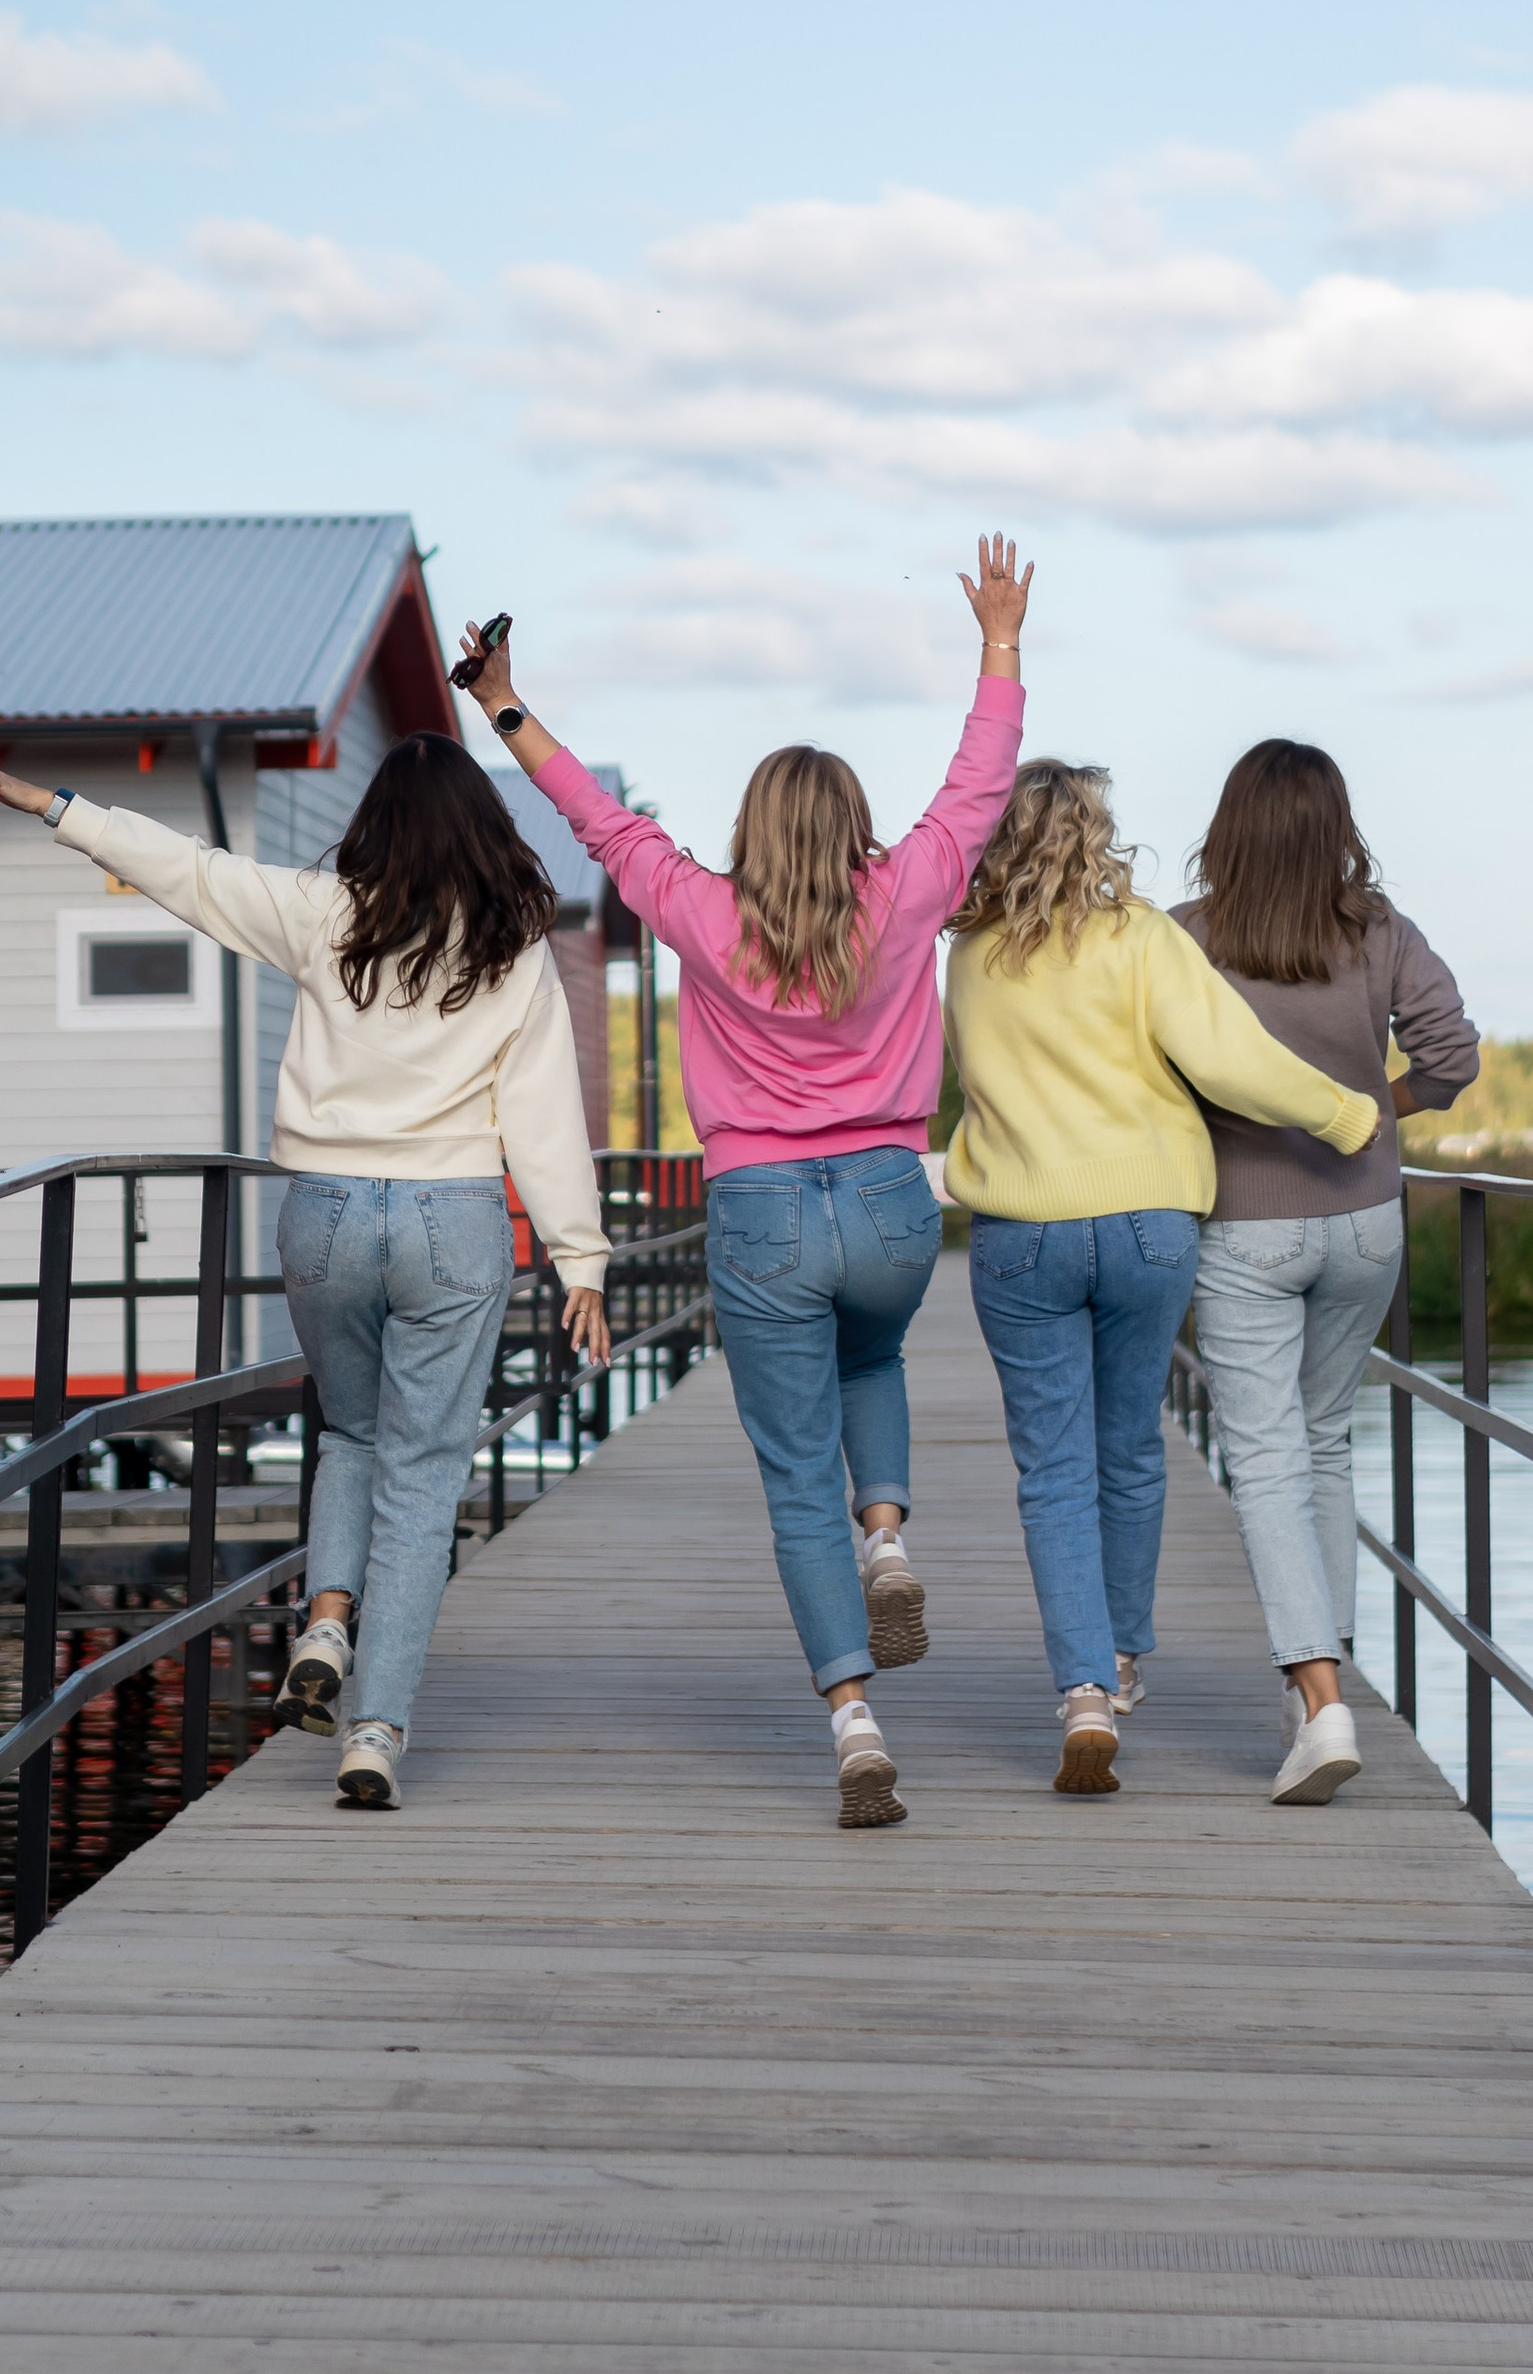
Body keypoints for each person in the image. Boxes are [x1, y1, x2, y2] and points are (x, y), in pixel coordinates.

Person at [459, 535, 1032, 1831]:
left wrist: (504, 703)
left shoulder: (699, 911)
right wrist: (999, 641)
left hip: (763, 1209)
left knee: (791, 1473)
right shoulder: (909, 891)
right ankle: (888, 1533)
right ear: (854, 825)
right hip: (888, 1198)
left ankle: (853, 1722)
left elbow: (599, 820)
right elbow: (977, 784)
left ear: (752, 829)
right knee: (873, 1357)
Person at [0, 724, 610, 1813]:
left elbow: (190, 873)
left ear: (377, 824)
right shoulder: (515, 948)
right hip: (452, 1217)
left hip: (326, 1214)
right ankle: (375, 1732)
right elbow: (542, 1117)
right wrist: (580, 1255)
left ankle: (327, 1621)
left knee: (350, 1432)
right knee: (422, 1474)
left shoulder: (325, 914)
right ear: (485, 832)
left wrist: (50, 804)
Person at [943, 760, 1378, 1795]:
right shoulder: (1141, 936)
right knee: (1132, 1446)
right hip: (1149, 1225)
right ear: (1095, 833)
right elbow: (1230, 1059)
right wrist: (1346, 1114)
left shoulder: (968, 954)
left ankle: (1085, 1693)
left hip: (1022, 1230)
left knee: (1053, 1467)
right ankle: (1125, 1653)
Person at [1173, 738, 1480, 1806]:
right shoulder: (1378, 930)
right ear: (1333, 825)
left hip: (1243, 1227)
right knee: (1324, 1445)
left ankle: (1320, 1704)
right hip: (1364, 1223)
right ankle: (1315, 1696)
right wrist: (1372, 1113)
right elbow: (1452, 1056)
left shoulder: (1190, 938)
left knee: (1265, 1461)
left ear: (1231, 825)